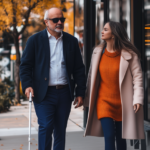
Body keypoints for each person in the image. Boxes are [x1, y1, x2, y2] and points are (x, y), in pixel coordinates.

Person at [20, 7, 86, 150]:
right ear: (46, 22)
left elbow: (79, 69)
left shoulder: (72, 41)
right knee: (45, 126)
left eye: (61, 19)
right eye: (55, 20)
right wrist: (27, 85)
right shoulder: (34, 41)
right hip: (43, 93)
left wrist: (80, 92)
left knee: (60, 130)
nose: (59, 22)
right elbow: (25, 66)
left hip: (64, 93)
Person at [83, 21, 145, 150]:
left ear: (114, 34)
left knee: (121, 139)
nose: (102, 31)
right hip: (103, 101)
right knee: (109, 136)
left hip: (123, 103)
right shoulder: (98, 53)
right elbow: (91, 78)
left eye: (105, 29)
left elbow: (138, 78)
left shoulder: (130, 55)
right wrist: (86, 100)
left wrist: (138, 99)